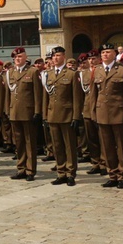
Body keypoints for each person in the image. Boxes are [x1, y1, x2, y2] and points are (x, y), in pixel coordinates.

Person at [89, 43, 123, 189]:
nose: (105, 55)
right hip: (102, 112)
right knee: (107, 147)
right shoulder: (97, 70)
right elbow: (93, 94)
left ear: (114, 54)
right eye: (103, 53)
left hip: (118, 112)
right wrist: (93, 113)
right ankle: (112, 174)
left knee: (121, 146)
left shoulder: (122, 71)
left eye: (108, 52)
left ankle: (122, 176)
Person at [42, 46, 82, 186]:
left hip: (67, 115)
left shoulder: (71, 74)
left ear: (64, 56)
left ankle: (70, 173)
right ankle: (61, 172)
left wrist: (76, 117)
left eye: (58, 55)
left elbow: (77, 97)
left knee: (69, 146)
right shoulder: (49, 74)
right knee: (57, 146)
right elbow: (46, 97)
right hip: (52, 114)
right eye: (53, 56)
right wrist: (45, 115)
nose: (55, 58)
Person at [6, 46, 42, 181]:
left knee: (29, 142)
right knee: (19, 142)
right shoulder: (11, 72)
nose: (17, 59)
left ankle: (30, 170)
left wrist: (37, 111)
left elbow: (37, 94)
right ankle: (21, 168)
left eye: (20, 57)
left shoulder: (32, 72)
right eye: (15, 57)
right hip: (14, 112)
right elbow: (7, 95)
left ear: (26, 57)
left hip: (28, 112)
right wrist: (7, 111)